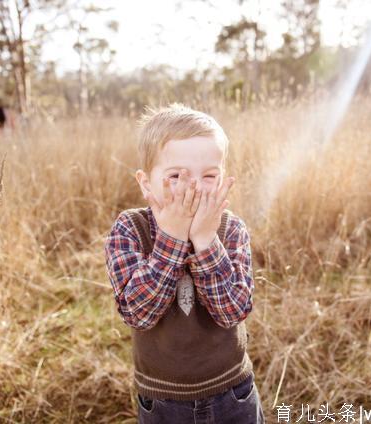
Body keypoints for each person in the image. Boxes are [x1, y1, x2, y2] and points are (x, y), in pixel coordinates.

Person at [104, 102, 265, 423]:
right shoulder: (129, 229)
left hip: (232, 391)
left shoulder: (230, 229)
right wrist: (172, 238)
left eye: (209, 175)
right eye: (176, 175)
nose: (193, 187)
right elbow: (138, 314)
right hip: (164, 401)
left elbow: (233, 311)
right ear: (146, 182)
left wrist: (206, 240)